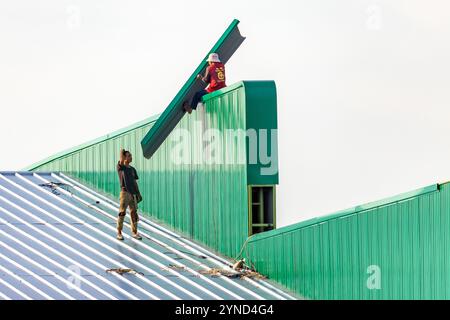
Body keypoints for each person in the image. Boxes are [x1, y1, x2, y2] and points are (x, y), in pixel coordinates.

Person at [116, 149, 142, 240]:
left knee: (133, 213)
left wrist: (138, 193)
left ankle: (134, 232)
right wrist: (122, 151)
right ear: (124, 158)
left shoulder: (132, 169)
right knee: (122, 212)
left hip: (133, 193)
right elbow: (121, 158)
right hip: (125, 193)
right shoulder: (121, 167)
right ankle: (119, 232)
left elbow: (135, 182)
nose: (131, 157)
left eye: (131, 155)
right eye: (129, 156)